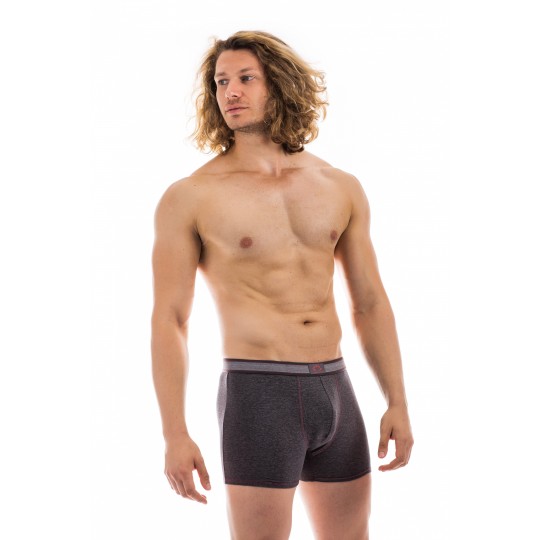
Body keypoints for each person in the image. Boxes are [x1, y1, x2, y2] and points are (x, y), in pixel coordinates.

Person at [151, 30, 413, 540]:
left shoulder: (339, 185)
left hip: (336, 389)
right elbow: (170, 320)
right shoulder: (192, 197)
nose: (231, 92)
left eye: (246, 78)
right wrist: (174, 433)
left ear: (280, 84)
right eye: (221, 82)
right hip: (258, 393)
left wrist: (397, 400)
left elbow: (369, 302)